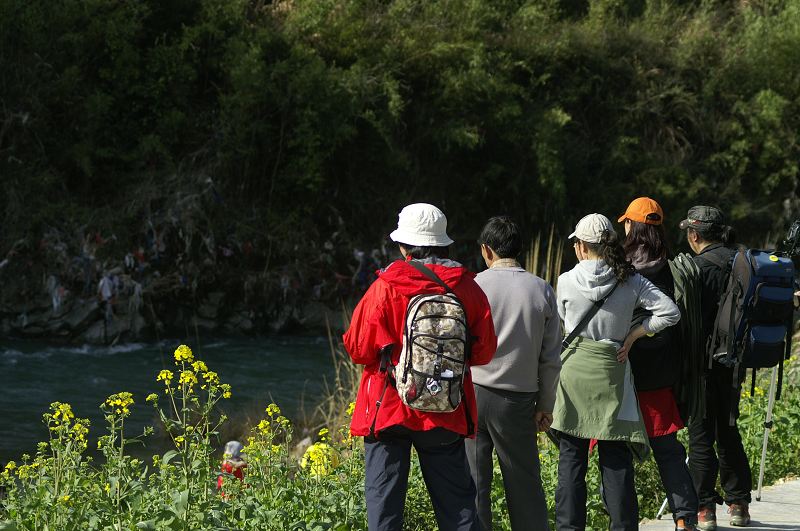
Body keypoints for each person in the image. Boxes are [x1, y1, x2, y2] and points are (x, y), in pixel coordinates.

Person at [344, 203, 497, 531]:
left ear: (404, 245)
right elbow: (484, 352)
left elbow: (358, 347)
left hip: (389, 407)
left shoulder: (386, 286)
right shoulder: (467, 288)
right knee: (458, 509)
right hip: (444, 408)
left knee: (384, 509)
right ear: (443, 244)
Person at [552, 213, 680, 531]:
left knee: (571, 458)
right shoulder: (630, 279)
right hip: (612, 372)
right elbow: (670, 312)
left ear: (581, 247)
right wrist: (635, 334)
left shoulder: (566, 280)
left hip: (573, 373)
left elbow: (558, 328)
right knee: (615, 457)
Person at [466, 216, 561, 530]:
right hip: (518, 399)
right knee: (524, 484)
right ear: (518, 249)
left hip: (474, 392)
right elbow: (551, 359)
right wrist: (546, 405)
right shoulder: (541, 289)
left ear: (486, 250)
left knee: (474, 484)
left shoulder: (473, 286)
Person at [619, 197, 698, 531]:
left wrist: (633, 335)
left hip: (624, 369)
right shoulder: (670, 265)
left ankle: (624, 522)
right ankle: (685, 518)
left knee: (618, 454)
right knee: (667, 449)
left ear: (631, 225)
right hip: (662, 372)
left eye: (626, 222)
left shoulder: (621, 266)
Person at [680, 206, 751, 529]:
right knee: (728, 430)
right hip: (735, 362)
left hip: (703, 365)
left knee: (700, 435)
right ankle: (739, 505)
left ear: (694, 235)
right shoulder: (742, 262)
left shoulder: (695, 268)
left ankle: (704, 509)